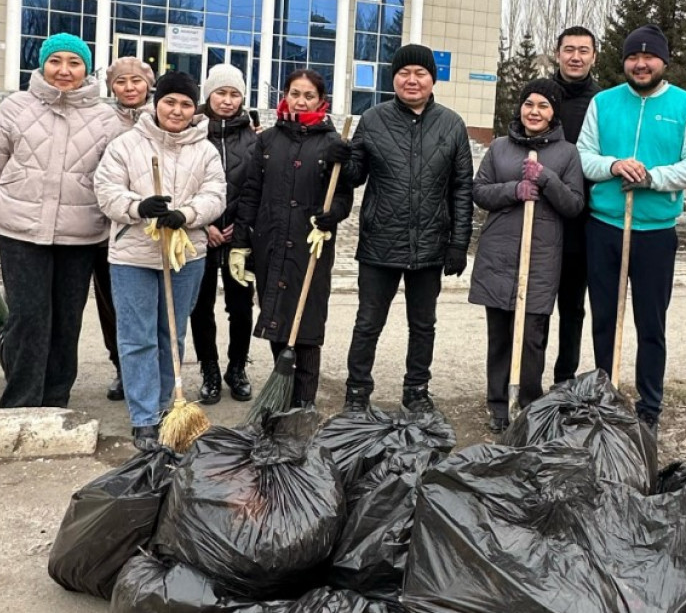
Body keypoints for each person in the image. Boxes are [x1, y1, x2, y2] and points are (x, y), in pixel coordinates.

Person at [0, 33, 120, 408]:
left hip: (80, 234)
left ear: (86, 69)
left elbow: (119, 178)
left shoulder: (106, 119)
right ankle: (20, 403)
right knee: (30, 318)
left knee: (67, 323)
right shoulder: (15, 108)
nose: (64, 70)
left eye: (74, 62)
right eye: (56, 61)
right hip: (19, 230)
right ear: (42, 64)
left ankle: (54, 402)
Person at [577, 24, 686, 430]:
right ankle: (606, 395)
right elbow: (583, 155)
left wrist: (651, 176)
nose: (640, 63)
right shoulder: (603, 102)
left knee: (650, 323)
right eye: (633, 57)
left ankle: (649, 406)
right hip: (605, 227)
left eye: (648, 56)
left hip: (654, 232)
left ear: (663, 61)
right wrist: (614, 165)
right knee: (603, 317)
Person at [95, 71, 226, 451]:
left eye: (186, 103)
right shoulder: (126, 145)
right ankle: (144, 417)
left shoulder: (205, 150)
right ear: (157, 102)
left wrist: (186, 214)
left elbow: (216, 194)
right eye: (170, 101)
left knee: (172, 332)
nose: (177, 110)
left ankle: (169, 405)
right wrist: (138, 207)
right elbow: (105, 191)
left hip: (186, 254)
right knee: (137, 336)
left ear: (194, 108)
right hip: (132, 254)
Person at [342, 44, 474, 413]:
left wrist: (458, 243)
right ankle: (357, 391)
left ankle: (416, 388)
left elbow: (462, 187)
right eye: (404, 73)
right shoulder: (372, 119)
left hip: (430, 244)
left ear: (433, 79)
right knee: (368, 322)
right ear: (393, 78)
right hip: (379, 242)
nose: (412, 80)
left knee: (423, 325)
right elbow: (354, 176)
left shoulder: (451, 124)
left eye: (420, 73)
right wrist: (339, 160)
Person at [230, 69, 352, 408]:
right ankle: (281, 394)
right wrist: (241, 241)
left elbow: (342, 196)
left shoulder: (331, 143)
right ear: (285, 95)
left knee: (308, 325)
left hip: (309, 245)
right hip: (270, 243)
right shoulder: (268, 140)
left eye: (308, 95)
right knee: (276, 319)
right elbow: (252, 192)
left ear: (321, 100)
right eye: (295, 93)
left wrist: (332, 217)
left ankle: (304, 406)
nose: (301, 100)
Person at [470, 78, 584, 432]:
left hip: (541, 257)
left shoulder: (567, 154)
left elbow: (575, 205)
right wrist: (514, 189)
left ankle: (530, 405)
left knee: (533, 335)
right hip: (499, 254)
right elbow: (480, 191)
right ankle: (498, 404)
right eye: (529, 104)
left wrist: (546, 179)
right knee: (500, 334)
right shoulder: (501, 147)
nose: (535, 111)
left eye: (543, 106)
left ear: (554, 113)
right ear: (520, 108)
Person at [189, 64, 258, 404]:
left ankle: (236, 367)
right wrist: (205, 225)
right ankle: (210, 370)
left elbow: (256, 188)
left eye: (234, 94)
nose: (227, 101)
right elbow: (183, 184)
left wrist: (240, 227)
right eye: (221, 93)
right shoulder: (192, 132)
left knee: (241, 306)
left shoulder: (253, 137)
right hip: (199, 233)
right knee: (200, 307)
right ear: (208, 95)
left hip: (239, 237)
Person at [93, 56, 157, 401]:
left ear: (149, 83)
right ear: (111, 86)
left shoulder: (165, 115)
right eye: (121, 82)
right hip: (109, 230)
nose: (129, 88)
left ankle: (157, 371)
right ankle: (122, 367)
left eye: (136, 81)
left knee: (155, 311)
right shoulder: (99, 120)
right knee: (113, 307)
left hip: (155, 230)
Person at [548, 25, 601, 386]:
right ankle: (526, 378)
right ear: (557, 53)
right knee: (533, 304)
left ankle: (564, 379)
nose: (576, 57)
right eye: (569, 49)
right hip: (540, 215)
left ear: (593, 56)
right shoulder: (540, 95)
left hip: (583, 218)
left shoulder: (603, 101)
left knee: (572, 306)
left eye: (584, 50)